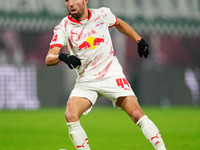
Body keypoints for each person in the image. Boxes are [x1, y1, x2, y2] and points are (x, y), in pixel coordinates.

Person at [45, 0, 167, 149]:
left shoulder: (102, 14)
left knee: (136, 114)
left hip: (111, 76)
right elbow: (49, 59)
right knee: (70, 115)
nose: (71, 3)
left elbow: (119, 23)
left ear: (85, 1)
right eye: (67, 0)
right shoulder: (63, 27)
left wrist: (139, 40)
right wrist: (61, 57)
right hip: (86, 81)